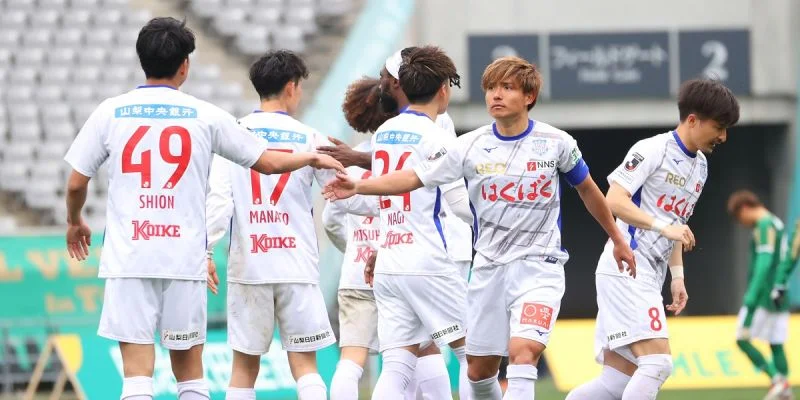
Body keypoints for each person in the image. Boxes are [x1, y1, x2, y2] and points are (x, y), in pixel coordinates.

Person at [323, 55, 636, 400]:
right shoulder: (466, 146)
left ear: (529, 96)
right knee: (477, 370)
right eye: (490, 88)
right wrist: (360, 185)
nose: (496, 95)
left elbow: (588, 189)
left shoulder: (557, 142)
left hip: (539, 267)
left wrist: (617, 238)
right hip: (488, 270)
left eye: (507, 87)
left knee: (523, 351)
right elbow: (412, 178)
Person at [64, 19, 343, 400]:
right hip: (184, 258)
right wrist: (310, 156)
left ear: (142, 60)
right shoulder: (206, 115)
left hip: (129, 256)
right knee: (190, 377)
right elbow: (267, 162)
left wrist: (75, 221)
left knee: (137, 376)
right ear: (185, 66)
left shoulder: (110, 111)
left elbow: (76, 183)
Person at [567, 79, 740, 400]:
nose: (723, 137)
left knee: (616, 383)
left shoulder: (700, 166)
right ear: (692, 120)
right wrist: (663, 227)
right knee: (658, 363)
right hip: (626, 267)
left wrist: (678, 276)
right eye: (719, 127)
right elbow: (614, 200)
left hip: (648, 275)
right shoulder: (652, 149)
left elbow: (677, 224)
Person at [320, 48, 475, 398]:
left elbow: (383, 191)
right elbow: (458, 203)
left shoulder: (385, 133)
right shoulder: (438, 134)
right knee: (473, 353)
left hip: (389, 259)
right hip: (429, 259)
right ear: (443, 90)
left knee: (397, 365)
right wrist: (493, 223)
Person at [203, 50, 356, 400]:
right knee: (305, 365)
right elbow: (344, 192)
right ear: (291, 87)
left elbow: (219, 201)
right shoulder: (311, 138)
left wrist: (206, 250)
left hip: (250, 265)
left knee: (244, 369)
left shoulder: (233, 133)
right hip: (296, 265)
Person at [323, 76, 396, 400]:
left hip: (355, 275)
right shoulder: (402, 160)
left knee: (351, 361)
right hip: (398, 267)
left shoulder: (350, 166)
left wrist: (354, 248)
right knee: (404, 359)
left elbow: (331, 220)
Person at [728, 190, 793, 399]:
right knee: (776, 342)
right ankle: (785, 390)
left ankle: (777, 380)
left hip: (763, 295)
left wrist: (751, 296)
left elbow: (764, 263)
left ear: (744, 208)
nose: (742, 222)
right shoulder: (776, 222)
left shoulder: (764, 225)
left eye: (739, 217)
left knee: (742, 338)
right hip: (780, 293)